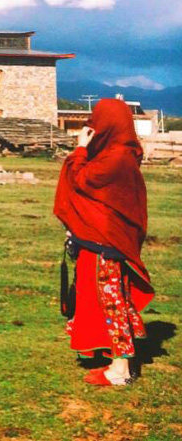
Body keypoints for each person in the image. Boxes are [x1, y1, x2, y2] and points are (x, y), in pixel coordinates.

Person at [53, 98, 154, 386]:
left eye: (96, 121)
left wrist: (80, 149)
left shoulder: (116, 158)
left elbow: (80, 180)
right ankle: (120, 362)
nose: (92, 127)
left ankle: (120, 370)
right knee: (109, 299)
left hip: (106, 243)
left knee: (111, 302)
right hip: (106, 240)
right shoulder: (122, 154)